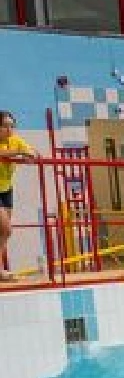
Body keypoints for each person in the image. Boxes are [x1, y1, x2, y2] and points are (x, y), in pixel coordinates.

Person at [0, 110, 37, 280]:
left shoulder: (15, 141)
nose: (9, 130)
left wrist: (30, 155)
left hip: (6, 189)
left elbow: (32, 153)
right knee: (6, 228)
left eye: (11, 126)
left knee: (4, 233)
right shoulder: (12, 146)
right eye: (4, 126)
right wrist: (17, 153)